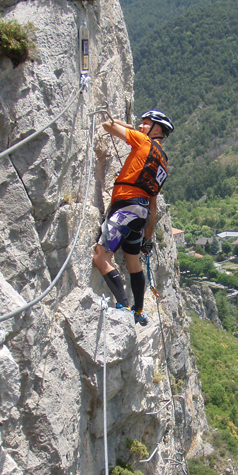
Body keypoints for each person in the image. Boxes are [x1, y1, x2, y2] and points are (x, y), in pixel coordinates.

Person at [93, 110, 173, 326]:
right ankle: (139, 310)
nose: (140, 126)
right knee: (134, 263)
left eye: (145, 124)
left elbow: (107, 126)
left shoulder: (143, 141)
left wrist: (130, 127)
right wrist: (148, 239)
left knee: (101, 257)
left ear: (157, 129)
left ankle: (124, 306)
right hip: (141, 214)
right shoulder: (162, 164)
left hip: (125, 207)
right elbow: (154, 206)